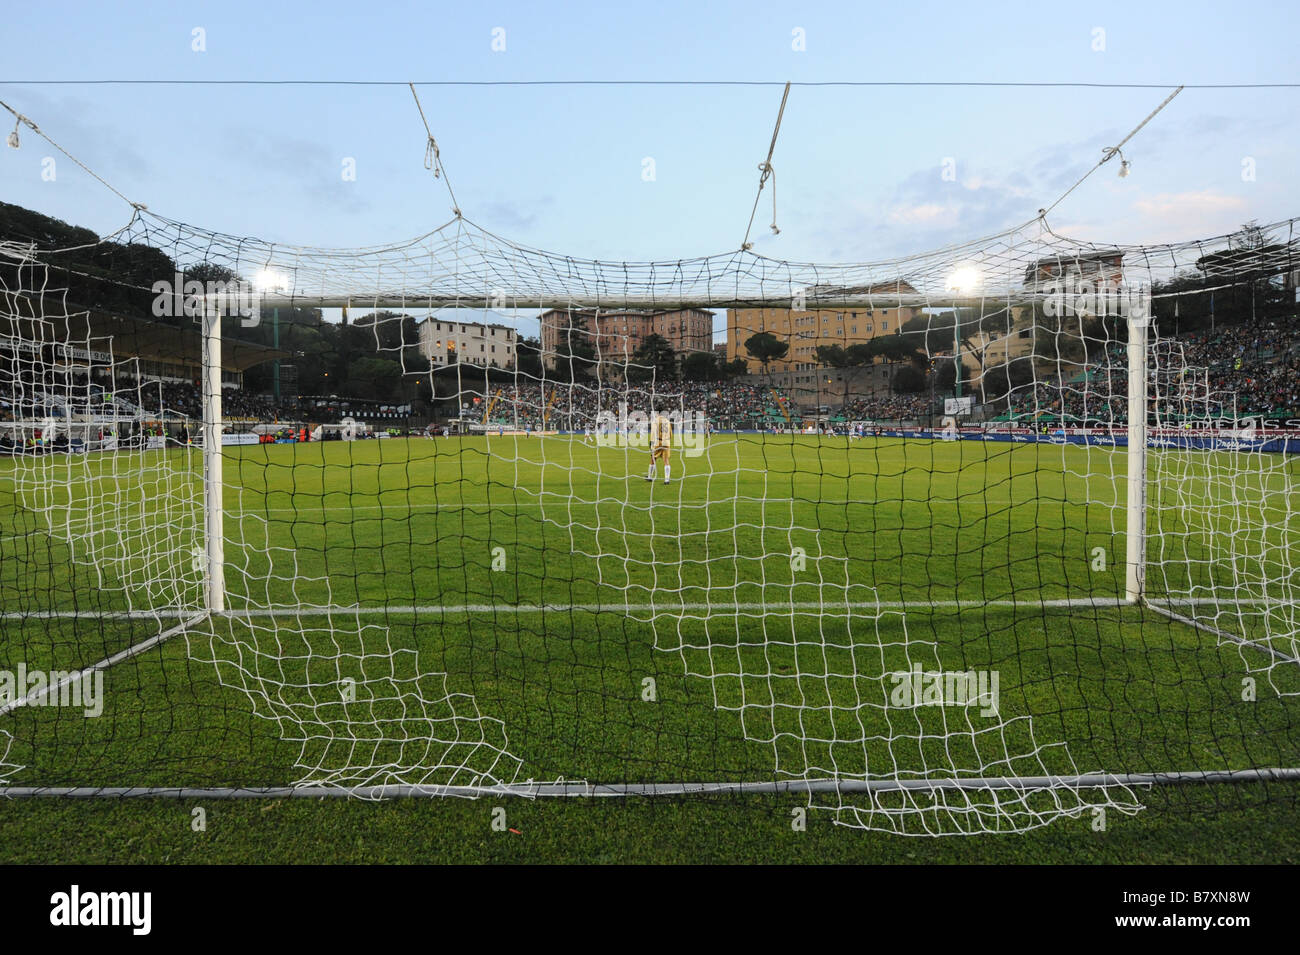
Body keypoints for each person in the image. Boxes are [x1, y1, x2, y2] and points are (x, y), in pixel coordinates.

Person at [646, 406, 673, 484]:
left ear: (657, 412)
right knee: (666, 460)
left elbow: (653, 433)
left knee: (653, 459)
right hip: (666, 442)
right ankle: (667, 480)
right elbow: (670, 434)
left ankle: (650, 476)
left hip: (657, 442)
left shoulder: (655, 420)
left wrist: (651, 443)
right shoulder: (667, 421)